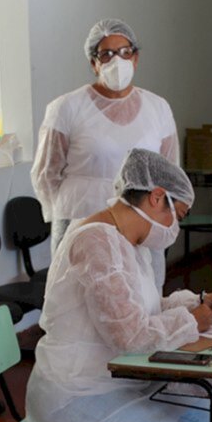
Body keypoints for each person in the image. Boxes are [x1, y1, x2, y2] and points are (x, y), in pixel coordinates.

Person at [26, 148, 212, 422]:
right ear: (157, 198)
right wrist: (191, 320)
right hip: (76, 394)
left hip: (113, 382)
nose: (175, 228)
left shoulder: (124, 238)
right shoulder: (96, 241)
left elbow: (139, 307)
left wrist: (196, 302)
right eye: (177, 216)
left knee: (202, 410)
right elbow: (131, 336)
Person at [31, 19, 179, 288]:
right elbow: (46, 172)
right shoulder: (66, 108)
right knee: (78, 300)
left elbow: (169, 170)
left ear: (135, 58)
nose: (117, 61)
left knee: (141, 299)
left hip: (140, 225)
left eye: (124, 52)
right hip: (82, 220)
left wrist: (160, 218)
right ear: (93, 62)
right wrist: (64, 213)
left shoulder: (157, 108)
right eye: (106, 54)